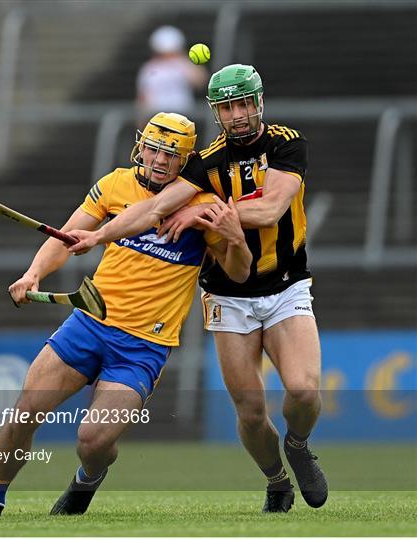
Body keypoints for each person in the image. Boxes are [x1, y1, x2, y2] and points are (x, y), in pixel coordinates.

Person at [67, 64, 328, 513]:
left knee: (304, 391)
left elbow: (269, 210)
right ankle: (277, 482)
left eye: (245, 103)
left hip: (286, 286)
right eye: (228, 107)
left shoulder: (286, 144)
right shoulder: (206, 164)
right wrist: (97, 236)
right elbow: (154, 208)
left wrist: (201, 214)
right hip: (228, 295)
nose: (239, 114)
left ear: (259, 103)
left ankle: (299, 445)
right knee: (249, 412)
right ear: (216, 112)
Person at [0, 112, 251, 517]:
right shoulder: (114, 183)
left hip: (143, 346)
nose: (158, 160)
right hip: (88, 324)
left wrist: (236, 238)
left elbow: (239, 273)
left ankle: (88, 478)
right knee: (25, 411)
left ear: (186, 161)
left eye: (170, 155)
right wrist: (33, 273)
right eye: (153, 149)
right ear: (140, 146)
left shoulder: (202, 205)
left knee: (92, 440)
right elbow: (66, 237)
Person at [136, 25, 208, 124]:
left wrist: (183, 60)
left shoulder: (183, 63)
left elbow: (200, 81)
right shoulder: (148, 68)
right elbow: (143, 98)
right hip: (156, 118)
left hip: (182, 117)